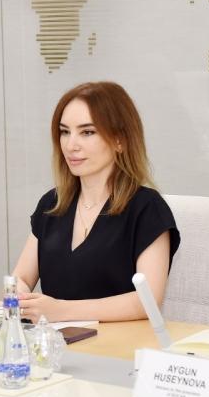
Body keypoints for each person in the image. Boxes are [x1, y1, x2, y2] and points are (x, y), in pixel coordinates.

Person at [12, 81, 180, 322]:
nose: (71, 145)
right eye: (65, 132)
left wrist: (61, 311)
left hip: (120, 342)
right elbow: (21, 278)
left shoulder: (147, 208)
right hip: (55, 340)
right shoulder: (52, 203)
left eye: (87, 132)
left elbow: (148, 300)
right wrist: (19, 293)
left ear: (120, 140)